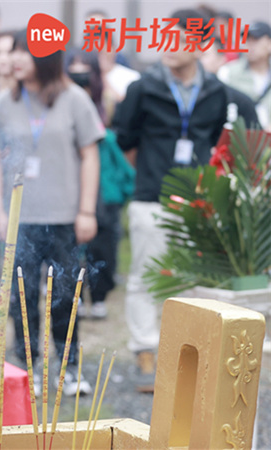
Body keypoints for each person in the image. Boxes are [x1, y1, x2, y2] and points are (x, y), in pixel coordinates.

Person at [112, 9, 259, 393]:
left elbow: (228, 145)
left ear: (200, 45)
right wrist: (152, 173)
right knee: (147, 275)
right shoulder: (143, 88)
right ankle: (146, 351)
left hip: (199, 204)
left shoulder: (218, 93)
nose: (169, 47)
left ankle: (187, 356)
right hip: (152, 197)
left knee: (193, 282)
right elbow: (126, 141)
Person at [0, 31, 105, 397]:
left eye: (25, 52)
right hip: (20, 216)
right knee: (21, 298)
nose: (15, 59)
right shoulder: (5, 101)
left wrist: (86, 210)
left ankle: (68, 368)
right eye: (15, 51)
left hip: (65, 215)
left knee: (66, 293)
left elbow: (90, 156)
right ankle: (27, 367)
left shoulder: (75, 100)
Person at [65, 48, 135, 320]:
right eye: (74, 66)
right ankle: (76, 295)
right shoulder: (59, 98)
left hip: (103, 180)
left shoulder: (109, 98)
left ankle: (100, 294)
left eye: (85, 67)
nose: (79, 73)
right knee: (71, 243)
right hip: (70, 178)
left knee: (103, 241)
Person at [217, 21, 271, 130]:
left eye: (255, 41)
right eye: (247, 40)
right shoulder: (228, 72)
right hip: (238, 140)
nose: (250, 45)